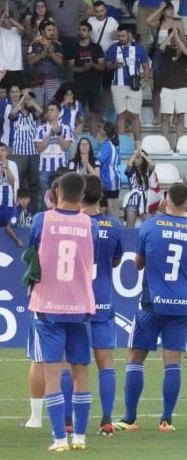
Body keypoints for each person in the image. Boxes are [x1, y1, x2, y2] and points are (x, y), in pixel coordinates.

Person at [25, 172, 96, 451]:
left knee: (53, 374)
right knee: (81, 373)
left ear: (56, 194)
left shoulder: (42, 220)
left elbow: (32, 251)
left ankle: (59, 438)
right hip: (80, 306)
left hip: (49, 306)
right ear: (81, 196)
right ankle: (79, 436)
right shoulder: (89, 224)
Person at [114, 181, 187, 433]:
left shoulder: (150, 226)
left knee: (135, 357)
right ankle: (166, 420)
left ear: (166, 199)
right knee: (173, 362)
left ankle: (129, 418)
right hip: (181, 305)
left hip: (151, 303)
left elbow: (138, 263)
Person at [76, 175, 124, 435]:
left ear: (80, 195)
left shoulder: (71, 223)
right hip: (102, 299)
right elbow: (116, 261)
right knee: (105, 362)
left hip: (73, 301)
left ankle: (69, 421)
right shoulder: (114, 226)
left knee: (70, 364)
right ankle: (106, 420)